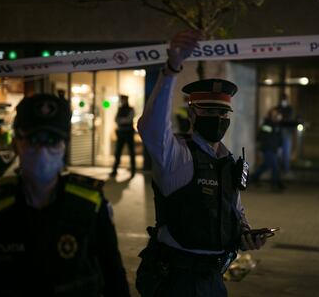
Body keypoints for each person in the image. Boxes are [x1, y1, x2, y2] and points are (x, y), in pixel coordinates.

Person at [135, 30, 268, 297]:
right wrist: (172, 69)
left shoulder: (229, 161)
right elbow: (150, 126)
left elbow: (234, 211)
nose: (217, 118)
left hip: (214, 279)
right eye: (209, 111)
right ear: (193, 113)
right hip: (176, 281)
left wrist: (245, 235)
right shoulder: (175, 154)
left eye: (222, 112)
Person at [0, 94, 131, 297]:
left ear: (65, 146)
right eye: (34, 139)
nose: (43, 150)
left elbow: (114, 276)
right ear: (17, 143)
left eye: (53, 140)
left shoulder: (90, 204)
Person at [251, 107, 285, 190]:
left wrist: (280, 147)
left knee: (265, 166)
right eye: (274, 114)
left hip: (274, 149)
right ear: (271, 115)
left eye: (277, 114)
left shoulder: (277, 125)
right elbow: (261, 136)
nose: (276, 115)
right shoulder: (267, 124)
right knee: (274, 166)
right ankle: (275, 184)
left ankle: (252, 179)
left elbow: (279, 137)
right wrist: (260, 146)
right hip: (267, 148)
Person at [110, 95, 136, 178]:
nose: (122, 101)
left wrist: (121, 121)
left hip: (128, 132)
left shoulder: (131, 109)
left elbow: (128, 119)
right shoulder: (120, 109)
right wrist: (122, 121)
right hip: (121, 133)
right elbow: (116, 119)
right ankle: (114, 170)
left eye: (123, 100)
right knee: (118, 152)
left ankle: (133, 171)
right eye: (121, 100)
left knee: (131, 152)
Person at [276, 93, 294, 173]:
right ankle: (279, 168)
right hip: (278, 133)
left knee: (286, 152)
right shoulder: (278, 108)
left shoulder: (289, 109)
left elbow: (289, 119)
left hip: (286, 133)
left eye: (284, 99)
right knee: (278, 152)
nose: (283, 101)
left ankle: (286, 169)